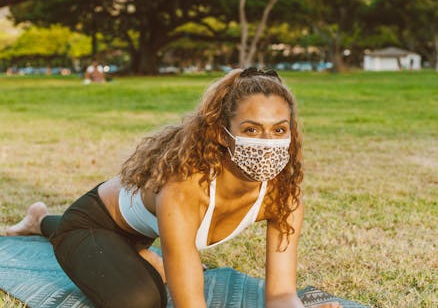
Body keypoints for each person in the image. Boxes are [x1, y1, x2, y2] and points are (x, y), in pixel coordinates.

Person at [6, 68, 341, 308]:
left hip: (141, 231)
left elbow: (281, 294)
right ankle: (48, 224)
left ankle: (40, 220)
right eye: (251, 130)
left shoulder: (284, 196)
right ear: (222, 134)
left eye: (279, 130)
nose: (268, 143)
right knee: (140, 300)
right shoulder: (185, 187)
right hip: (91, 222)